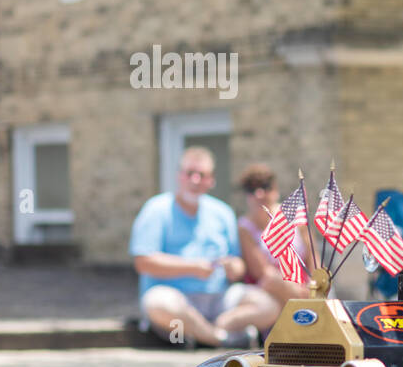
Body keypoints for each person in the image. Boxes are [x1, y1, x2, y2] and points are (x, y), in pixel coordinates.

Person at [130, 146, 276, 348]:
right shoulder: (156, 209)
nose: (195, 180)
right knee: (157, 304)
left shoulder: (222, 212)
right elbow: (143, 262)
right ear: (179, 176)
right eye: (190, 174)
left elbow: (238, 265)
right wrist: (192, 268)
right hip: (176, 299)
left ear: (211, 180)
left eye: (202, 175)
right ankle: (219, 339)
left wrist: (234, 267)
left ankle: (207, 332)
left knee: (268, 306)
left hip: (219, 301)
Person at [236, 163, 314, 313]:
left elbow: (313, 258)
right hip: (273, 292)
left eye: (265, 187)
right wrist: (297, 290)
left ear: (275, 189)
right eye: (252, 189)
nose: (259, 194)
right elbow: (261, 272)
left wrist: (314, 284)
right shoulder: (244, 227)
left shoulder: (295, 215)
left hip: (304, 285)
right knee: (271, 281)